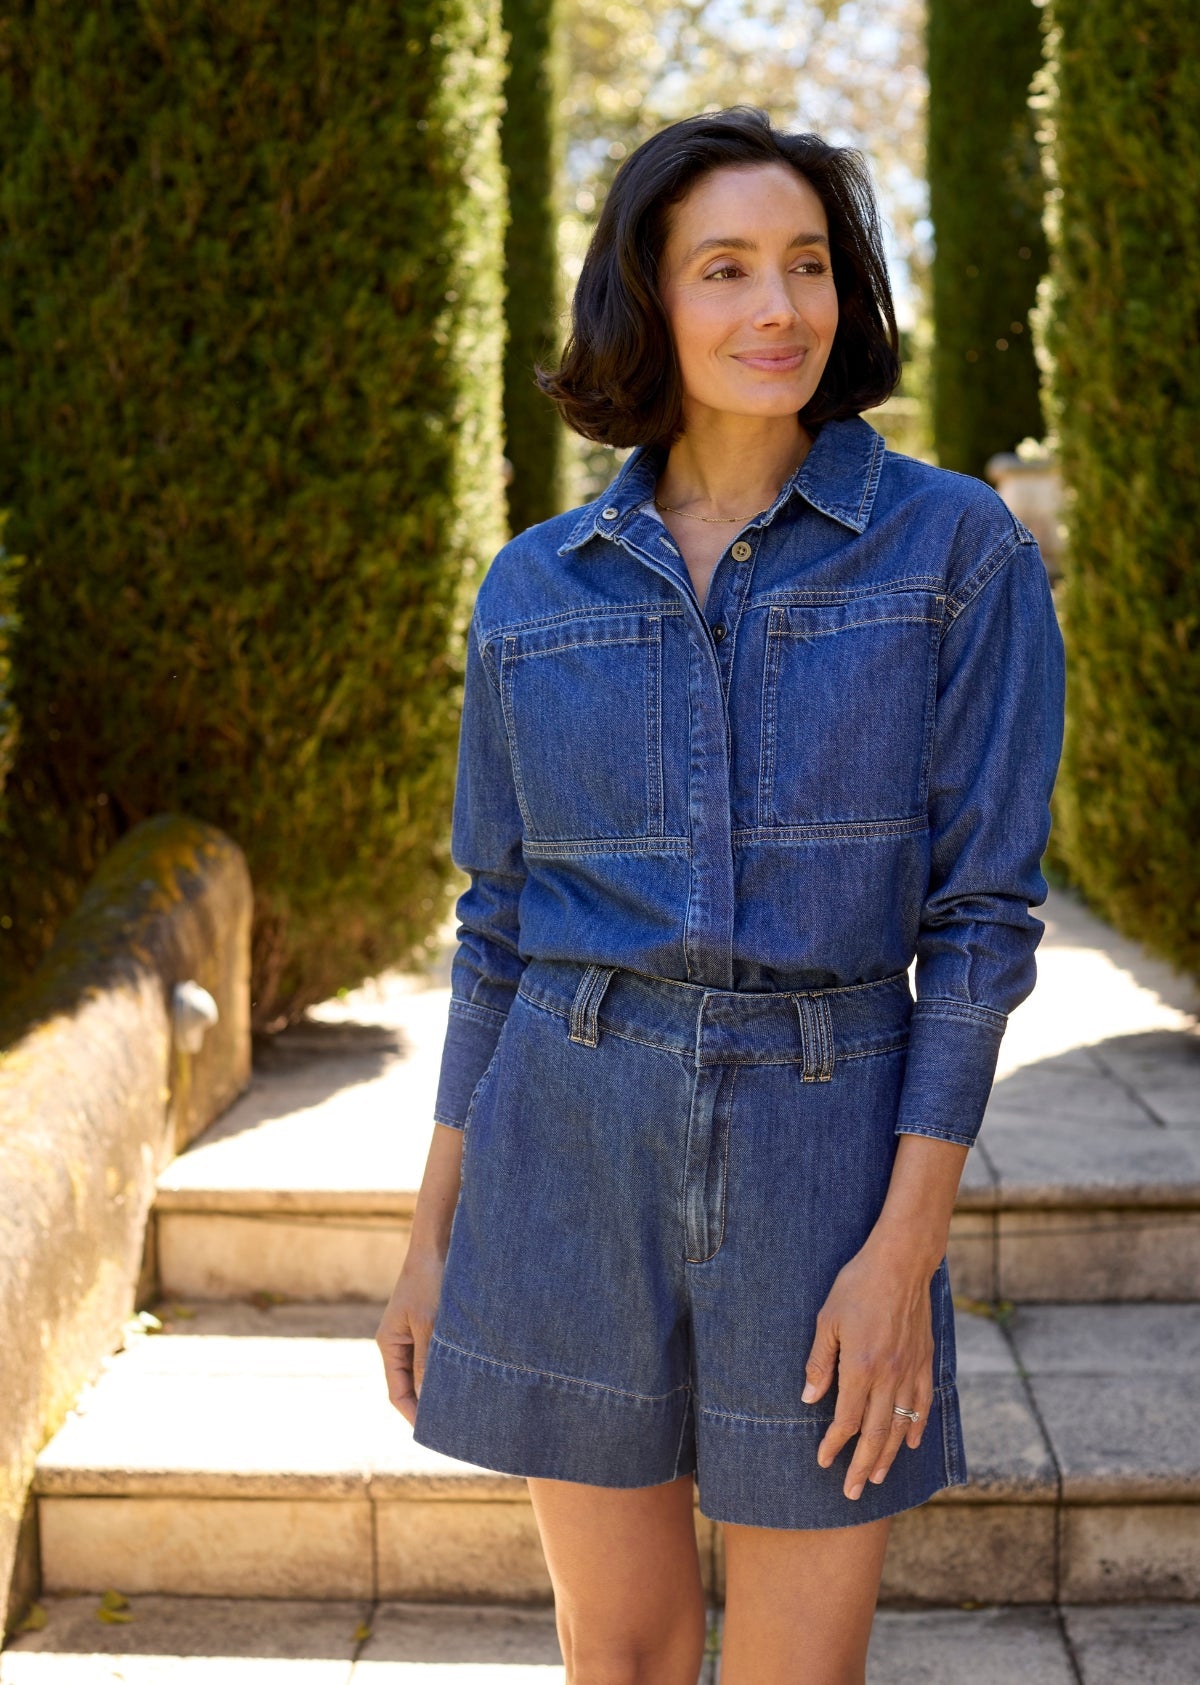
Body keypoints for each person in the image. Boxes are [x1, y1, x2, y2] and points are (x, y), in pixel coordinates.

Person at [376, 105, 1066, 1685]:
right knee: (616, 1657)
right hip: (568, 1141)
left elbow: (980, 926)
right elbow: (498, 929)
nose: (779, 307)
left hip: (823, 1149)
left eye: (809, 264)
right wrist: (432, 1237)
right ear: (651, 298)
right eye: (727, 267)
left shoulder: (952, 551)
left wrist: (903, 1254)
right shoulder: (537, 585)